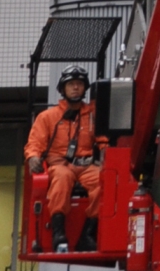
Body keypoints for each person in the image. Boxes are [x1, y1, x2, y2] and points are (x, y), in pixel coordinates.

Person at [25, 67, 104, 254]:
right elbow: (34, 143)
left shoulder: (93, 114)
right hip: (60, 165)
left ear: (85, 88)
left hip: (87, 165)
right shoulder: (48, 116)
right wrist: (33, 157)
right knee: (61, 178)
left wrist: (107, 154)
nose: (75, 88)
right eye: (71, 84)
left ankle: (88, 234)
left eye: (79, 84)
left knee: (106, 181)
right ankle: (58, 234)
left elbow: (103, 139)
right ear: (63, 89)